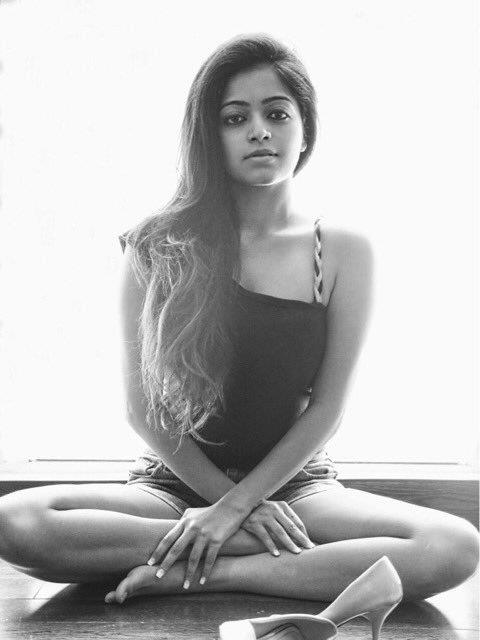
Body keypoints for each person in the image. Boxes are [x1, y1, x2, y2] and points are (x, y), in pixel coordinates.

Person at [0, 34, 477, 607]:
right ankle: (259, 552)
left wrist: (235, 507)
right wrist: (231, 509)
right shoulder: (156, 247)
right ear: (210, 135)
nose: (259, 131)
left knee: (453, 547)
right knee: (15, 522)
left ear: (306, 130)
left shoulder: (342, 251)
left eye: (277, 114)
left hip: (296, 488)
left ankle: (205, 570)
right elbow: (142, 411)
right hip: (173, 485)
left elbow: (327, 410)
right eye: (235, 118)